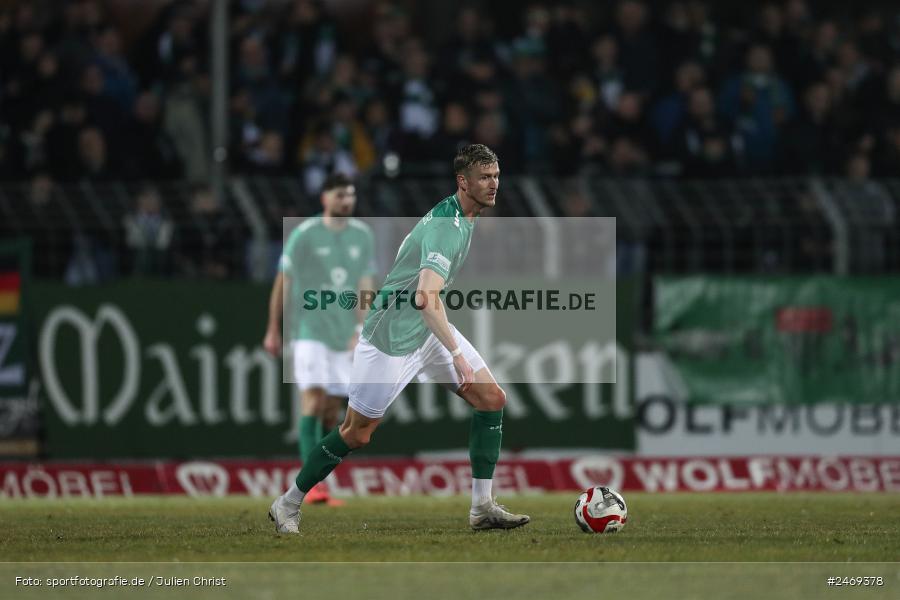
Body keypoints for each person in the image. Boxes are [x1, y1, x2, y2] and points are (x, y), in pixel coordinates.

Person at [269, 143, 530, 533]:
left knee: (491, 398)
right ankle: (287, 503)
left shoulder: (465, 216)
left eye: (495, 176)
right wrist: (456, 352)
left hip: (423, 330)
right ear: (463, 181)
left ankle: (481, 507)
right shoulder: (447, 227)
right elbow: (426, 297)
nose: (494, 184)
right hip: (390, 336)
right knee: (356, 433)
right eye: (484, 178)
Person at [263, 173, 376, 506]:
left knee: (331, 413)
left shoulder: (362, 235)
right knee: (312, 401)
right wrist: (273, 328)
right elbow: (283, 281)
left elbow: (364, 284)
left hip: (345, 335)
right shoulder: (305, 234)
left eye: (351, 195)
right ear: (325, 198)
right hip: (309, 330)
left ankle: (318, 480)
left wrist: (362, 329)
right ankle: (310, 486)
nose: (347, 201)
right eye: (340, 195)